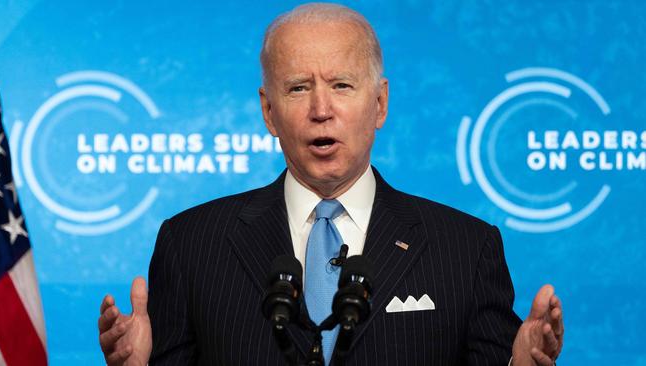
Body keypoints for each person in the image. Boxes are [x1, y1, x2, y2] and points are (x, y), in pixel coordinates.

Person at [98, 3, 564, 365]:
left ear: (380, 103)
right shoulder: (191, 244)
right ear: (268, 111)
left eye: (341, 85)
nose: (321, 109)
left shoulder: (465, 247)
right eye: (298, 87)